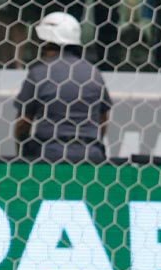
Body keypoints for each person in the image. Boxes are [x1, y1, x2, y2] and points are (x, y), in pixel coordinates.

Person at [13, 12, 112, 163]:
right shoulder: (94, 73)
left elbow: (23, 124)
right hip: (91, 155)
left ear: (45, 41)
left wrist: (23, 153)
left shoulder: (39, 73)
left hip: (49, 155)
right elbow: (103, 119)